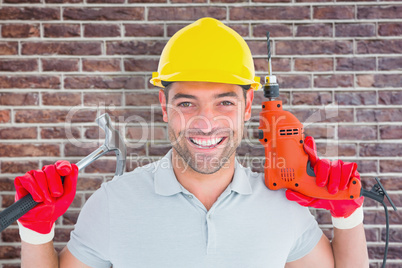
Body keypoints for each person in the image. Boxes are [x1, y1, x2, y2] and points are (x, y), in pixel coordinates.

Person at [15, 17, 368, 267]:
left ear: (248, 108)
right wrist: (35, 232)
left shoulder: (284, 207)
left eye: (224, 102)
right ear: (164, 107)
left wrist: (348, 216)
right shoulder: (113, 203)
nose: (205, 121)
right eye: (187, 103)